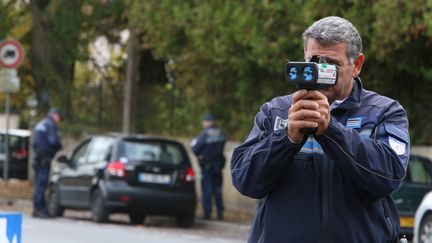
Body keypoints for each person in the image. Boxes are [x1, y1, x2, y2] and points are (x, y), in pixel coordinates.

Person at [231, 16, 410, 243]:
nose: (321, 71)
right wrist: (287, 140)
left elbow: (389, 176)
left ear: (356, 65)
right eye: (313, 61)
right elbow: (245, 180)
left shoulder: (384, 111)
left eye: (332, 65)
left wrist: (332, 131)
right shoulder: (276, 111)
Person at [192, 113, 226, 220]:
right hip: (218, 166)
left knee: (207, 190)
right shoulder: (221, 132)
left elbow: (195, 149)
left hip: (207, 166)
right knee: (218, 190)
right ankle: (220, 212)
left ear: (207, 122)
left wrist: (201, 155)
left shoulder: (205, 134)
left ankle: (207, 213)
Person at [32, 108, 63, 218]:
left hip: (38, 157)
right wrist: (59, 146)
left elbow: (34, 142)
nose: (59, 119)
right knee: (42, 183)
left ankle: (37, 208)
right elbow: (53, 141)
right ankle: (40, 209)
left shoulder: (40, 124)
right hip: (45, 158)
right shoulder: (50, 125)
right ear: (54, 115)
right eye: (58, 117)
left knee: (38, 184)